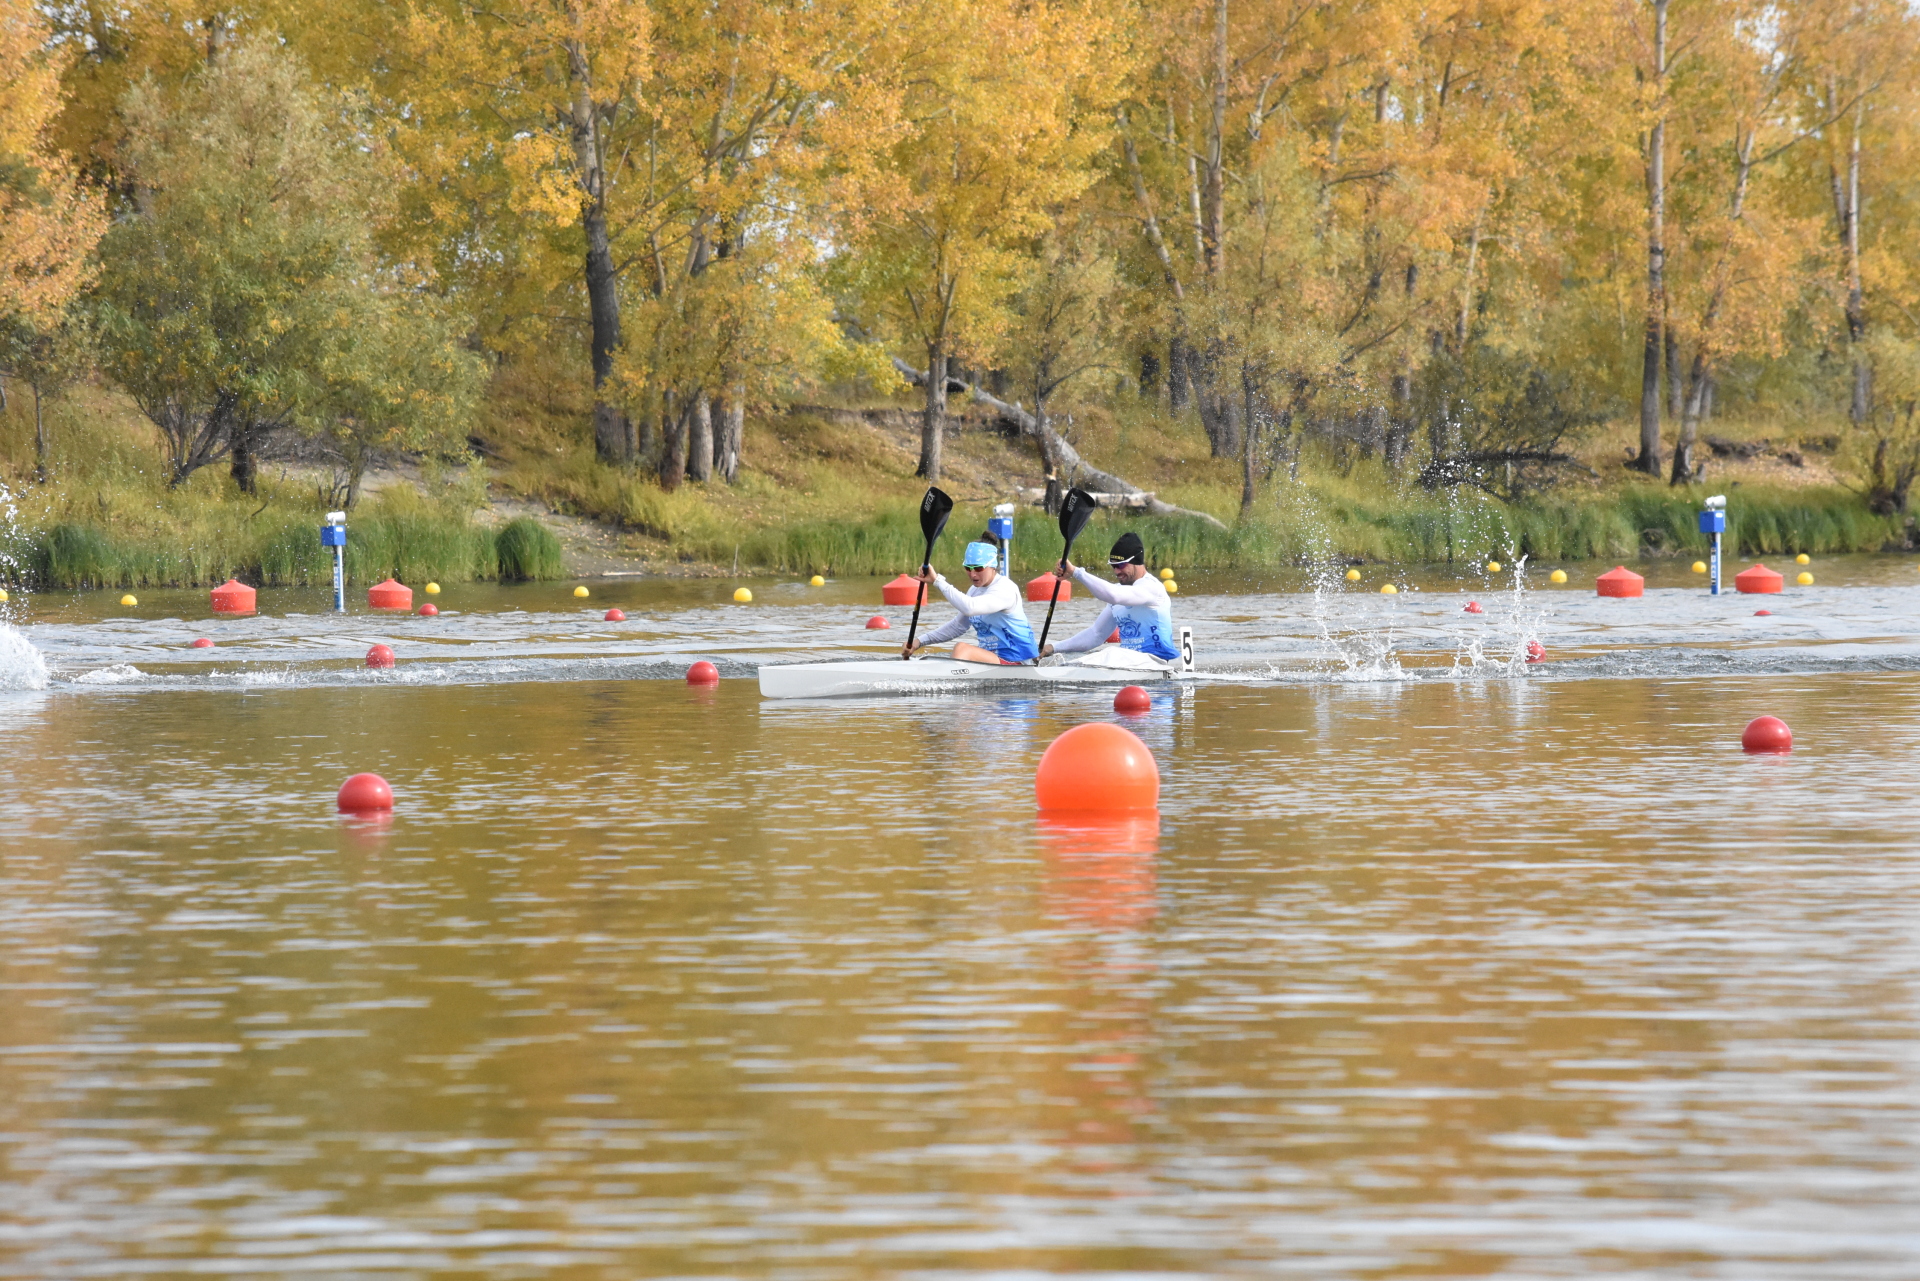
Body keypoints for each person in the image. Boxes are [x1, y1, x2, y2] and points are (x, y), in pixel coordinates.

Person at [1040, 531, 1179, 663]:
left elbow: (1114, 595)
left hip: (1155, 662)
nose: (1117, 571)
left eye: (1121, 565)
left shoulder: (1152, 587)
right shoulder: (1119, 592)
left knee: (1109, 653)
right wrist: (1052, 648)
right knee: (1081, 659)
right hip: (1128, 663)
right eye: (1113, 566)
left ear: (1136, 561)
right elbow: (1096, 634)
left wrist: (1076, 572)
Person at [901, 534, 1039, 664]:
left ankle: (949, 679)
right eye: (968, 568)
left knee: (962, 649)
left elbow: (969, 608)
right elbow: (958, 626)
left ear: (993, 566)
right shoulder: (974, 590)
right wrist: (919, 642)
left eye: (978, 569)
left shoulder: (1005, 589)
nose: (972, 574)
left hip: (1018, 662)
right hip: (994, 661)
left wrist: (938, 581)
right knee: (960, 651)